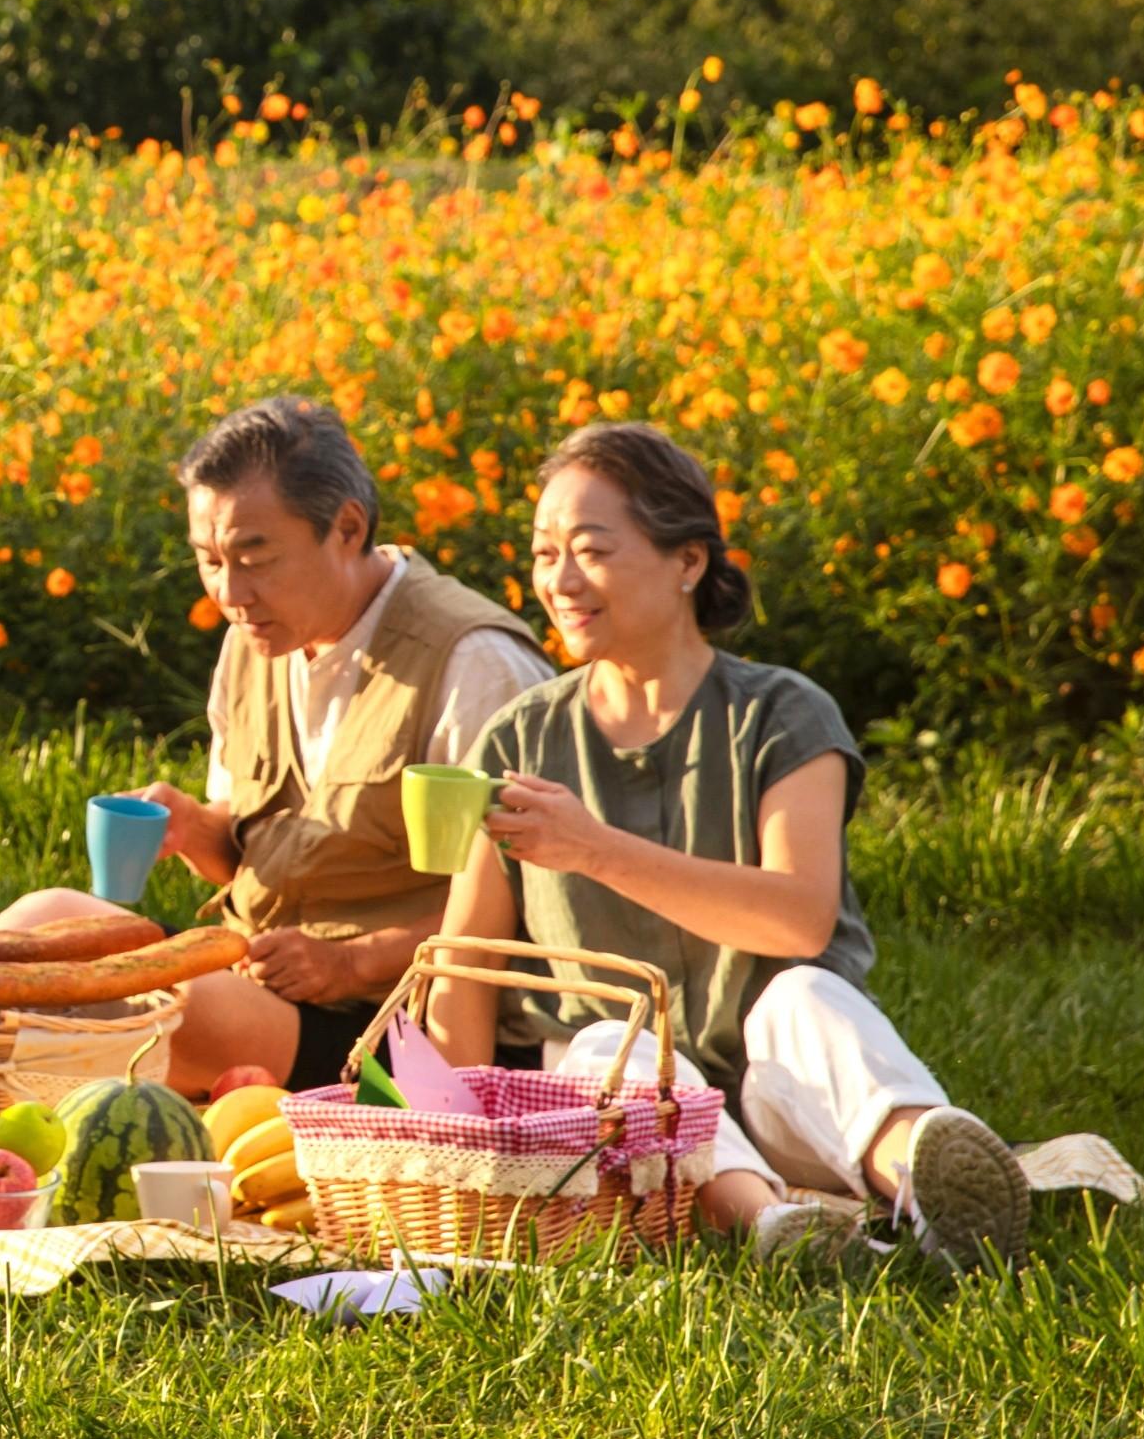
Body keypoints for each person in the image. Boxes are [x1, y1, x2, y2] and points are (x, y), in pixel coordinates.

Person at [0, 395, 550, 1093]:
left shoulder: (472, 661)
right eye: (206, 556)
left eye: (253, 554)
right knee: (38, 922)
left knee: (129, 1010)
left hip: (384, 1023)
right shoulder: (252, 643)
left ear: (347, 527)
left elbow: (530, 903)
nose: (227, 588)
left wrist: (352, 960)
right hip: (256, 970)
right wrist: (202, 834)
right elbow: (269, 856)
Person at [425, 422, 1030, 1268]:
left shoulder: (782, 714)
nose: (559, 580)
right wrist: (440, 1140)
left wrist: (593, 848)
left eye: (590, 549)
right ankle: (779, 1230)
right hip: (627, 1110)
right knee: (605, 1043)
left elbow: (797, 921)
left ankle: (931, 1177)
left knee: (804, 998)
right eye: (542, 552)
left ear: (687, 561)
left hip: (791, 1093)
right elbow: (467, 961)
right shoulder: (518, 738)